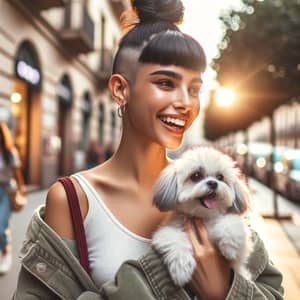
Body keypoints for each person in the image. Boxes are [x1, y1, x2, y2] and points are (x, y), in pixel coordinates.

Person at [13, 0, 284, 299]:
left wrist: (225, 291)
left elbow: (271, 290)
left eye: (194, 89)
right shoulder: (72, 200)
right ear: (120, 89)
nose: (185, 102)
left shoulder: (214, 195)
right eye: (166, 83)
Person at [0, 122, 25, 275]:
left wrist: (21, 189)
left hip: (6, 191)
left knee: (1, 226)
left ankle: (5, 253)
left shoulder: (10, 152)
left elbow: (17, 173)